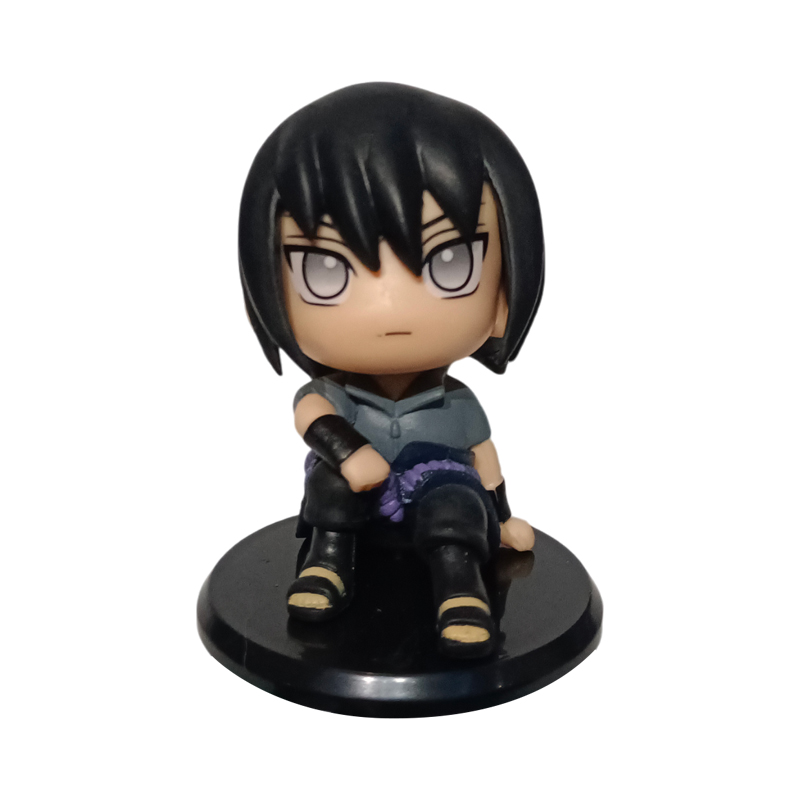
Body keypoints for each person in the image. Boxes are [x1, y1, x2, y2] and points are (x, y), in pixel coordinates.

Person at [238, 83, 545, 658]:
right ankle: (327, 563)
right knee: (329, 484)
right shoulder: (336, 394)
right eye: (325, 268)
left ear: (502, 296)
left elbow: (486, 462)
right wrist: (349, 452)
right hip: (358, 494)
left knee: (457, 507)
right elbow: (310, 415)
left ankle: (460, 589)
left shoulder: (458, 405)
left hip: (437, 485)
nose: (391, 310)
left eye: (450, 261)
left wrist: (501, 520)